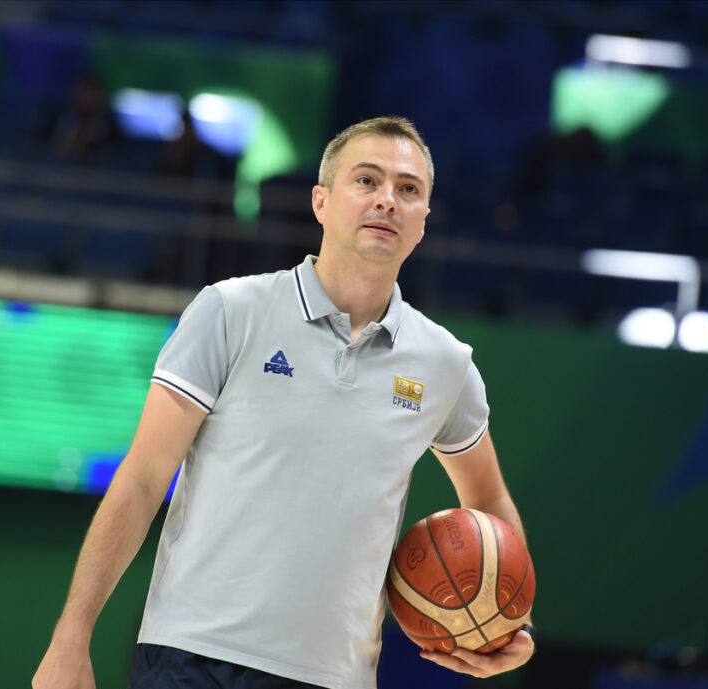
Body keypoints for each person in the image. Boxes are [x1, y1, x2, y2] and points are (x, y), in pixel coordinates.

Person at [32, 116, 535, 689]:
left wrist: (509, 623)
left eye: (408, 189)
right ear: (321, 202)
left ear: (423, 221)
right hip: (191, 657)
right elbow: (145, 477)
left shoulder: (446, 364)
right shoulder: (230, 310)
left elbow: (488, 495)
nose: (387, 200)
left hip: (333, 677)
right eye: (366, 181)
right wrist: (70, 638)